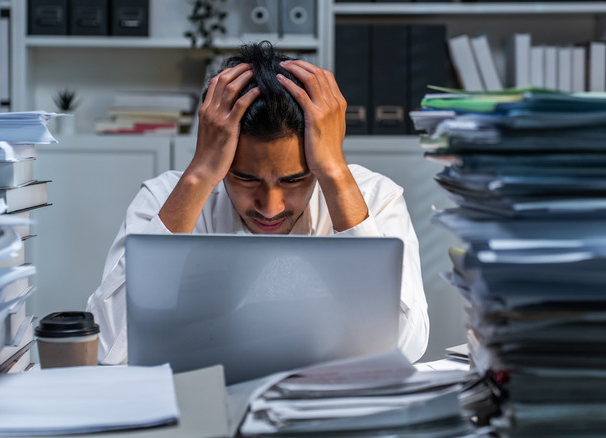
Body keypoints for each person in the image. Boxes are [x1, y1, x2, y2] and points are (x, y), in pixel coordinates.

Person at [87, 42, 429, 365]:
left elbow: (405, 345)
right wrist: (199, 175)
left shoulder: (375, 199)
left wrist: (336, 174)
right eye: (246, 179)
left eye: (293, 179)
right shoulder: (164, 200)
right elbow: (109, 345)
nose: (270, 207)